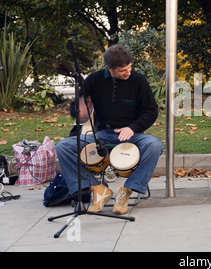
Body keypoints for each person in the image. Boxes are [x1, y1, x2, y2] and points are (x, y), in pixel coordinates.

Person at [56, 44, 163, 213]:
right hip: (103, 135)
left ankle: (127, 191)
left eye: (129, 68)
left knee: (154, 145)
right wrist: (80, 110)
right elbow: (78, 111)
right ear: (110, 69)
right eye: (122, 70)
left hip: (132, 135)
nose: (128, 72)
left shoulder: (138, 81)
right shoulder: (94, 80)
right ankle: (97, 188)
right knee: (63, 147)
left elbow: (151, 111)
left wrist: (133, 127)